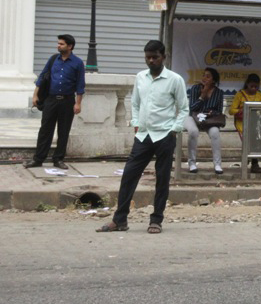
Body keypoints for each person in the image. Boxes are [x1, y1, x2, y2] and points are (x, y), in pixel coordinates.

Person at [97, 40, 189, 234]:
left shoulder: (175, 79)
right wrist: (136, 122)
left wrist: (174, 129)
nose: (151, 61)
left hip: (165, 135)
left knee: (162, 179)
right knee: (129, 176)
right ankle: (119, 220)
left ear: (164, 57)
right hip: (144, 135)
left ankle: (156, 220)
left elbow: (183, 108)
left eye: (155, 57)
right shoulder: (140, 77)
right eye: (148, 57)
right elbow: (135, 103)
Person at [24, 34, 86, 169]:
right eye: (58, 43)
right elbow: (42, 77)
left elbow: (80, 85)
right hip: (50, 100)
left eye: (61, 44)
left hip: (67, 101)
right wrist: (35, 95)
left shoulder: (78, 63)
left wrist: (78, 103)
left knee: (63, 131)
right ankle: (38, 159)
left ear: (70, 46)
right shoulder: (53, 59)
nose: (58, 46)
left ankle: (58, 159)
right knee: (45, 130)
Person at [185, 67, 225, 174]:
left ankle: (217, 164)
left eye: (208, 76)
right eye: (203, 75)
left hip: (209, 120)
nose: (204, 78)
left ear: (213, 80)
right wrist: (202, 96)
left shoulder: (219, 93)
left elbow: (219, 111)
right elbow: (192, 108)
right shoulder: (195, 88)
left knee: (215, 132)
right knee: (193, 132)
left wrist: (211, 113)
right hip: (193, 117)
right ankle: (192, 163)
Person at [229, 73, 261, 173]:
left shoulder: (260, 96)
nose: (254, 89)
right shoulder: (240, 95)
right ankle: (254, 163)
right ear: (247, 84)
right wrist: (242, 111)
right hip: (242, 124)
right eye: (251, 86)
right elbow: (231, 110)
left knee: (254, 140)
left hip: (255, 123)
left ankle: (250, 160)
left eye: (256, 87)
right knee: (250, 140)